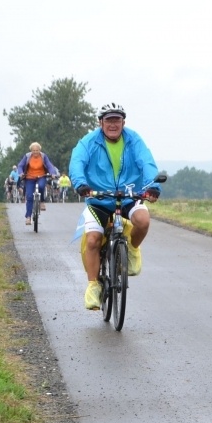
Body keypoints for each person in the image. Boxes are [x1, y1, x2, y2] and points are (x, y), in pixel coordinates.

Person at [69, 102, 162, 311]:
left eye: (117, 120)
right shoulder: (88, 142)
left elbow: (146, 162)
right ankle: (93, 285)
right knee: (92, 240)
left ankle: (132, 249)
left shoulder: (133, 139)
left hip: (128, 196)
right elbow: (77, 162)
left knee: (143, 221)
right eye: (109, 120)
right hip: (98, 199)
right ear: (101, 122)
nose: (113, 124)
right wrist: (80, 184)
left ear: (123, 122)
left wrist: (153, 186)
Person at [17, 142, 58, 225]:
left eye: (37, 150)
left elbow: (49, 165)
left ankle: (42, 201)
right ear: (31, 150)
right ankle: (28, 217)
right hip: (29, 177)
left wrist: (52, 173)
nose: (35, 152)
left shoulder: (43, 156)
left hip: (41, 176)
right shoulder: (27, 156)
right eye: (34, 150)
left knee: (42, 186)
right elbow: (20, 165)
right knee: (29, 196)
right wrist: (21, 172)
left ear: (40, 150)